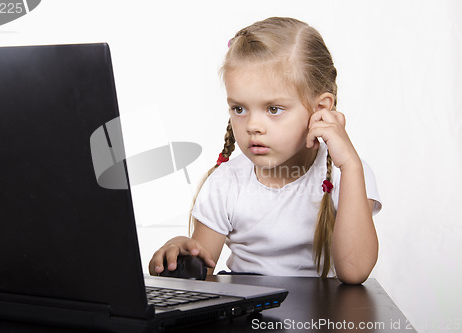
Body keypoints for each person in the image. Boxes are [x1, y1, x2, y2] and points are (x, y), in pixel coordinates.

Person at [149, 17, 382, 284]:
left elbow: (354, 271)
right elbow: (202, 270)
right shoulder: (226, 182)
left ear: (320, 110)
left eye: (273, 109)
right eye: (239, 109)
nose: (253, 126)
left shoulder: (348, 175)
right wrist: (182, 253)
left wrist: (351, 167)